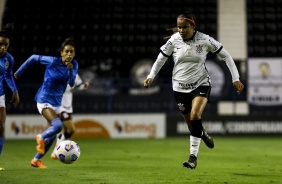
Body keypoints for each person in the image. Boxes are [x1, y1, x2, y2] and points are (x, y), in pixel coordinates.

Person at [144, 11, 244, 169]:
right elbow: (160, 58)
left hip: (200, 83)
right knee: (193, 126)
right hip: (179, 87)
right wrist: (151, 76)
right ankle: (202, 133)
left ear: (193, 26)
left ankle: (192, 157)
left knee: (195, 115)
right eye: (179, 27)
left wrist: (235, 78)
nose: (181, 30)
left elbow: (227, 56)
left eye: (184, 27)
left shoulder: (205, 39)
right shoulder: (174, 40)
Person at [14, 37, 78, 168]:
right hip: (44, 100)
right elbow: (32, 58)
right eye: (67, 51)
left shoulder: (74, 65)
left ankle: (36, 160)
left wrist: (71, 70)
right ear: (61, 53)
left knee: (54, 134)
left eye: (72, 52)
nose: (69, 54)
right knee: (58, 126)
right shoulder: (52, 61)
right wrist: (19, 72)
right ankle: (41, 137)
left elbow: (71, 83)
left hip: (57, 103)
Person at [50, 73, 89, 159]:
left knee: (64, 130)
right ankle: (57, 148)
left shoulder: (75, 74)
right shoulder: (57, 73)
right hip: (59, 106)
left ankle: (56, 152)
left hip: (68, 107)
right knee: (71, 129)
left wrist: (84, 86)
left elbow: (78, 86)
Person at [0, 30, 20, 171]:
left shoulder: (9, 59)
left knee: (1, 127)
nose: (3, 47)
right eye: (0, 44)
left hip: (0, 95)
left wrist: (15, 91)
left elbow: (8, 75)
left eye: (5, 45)